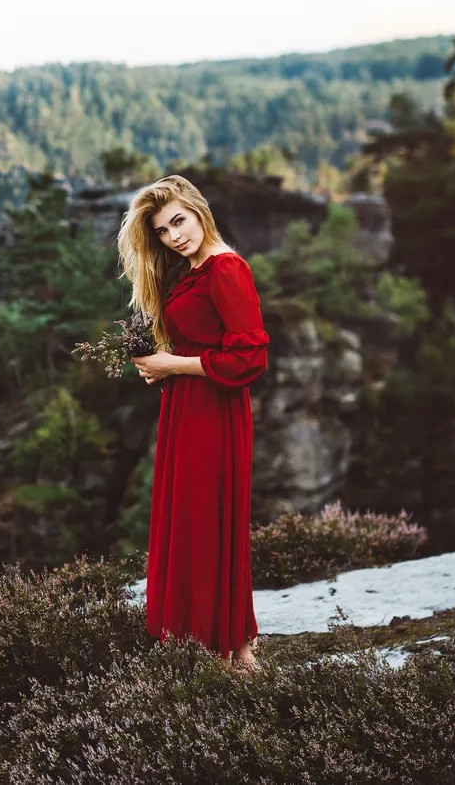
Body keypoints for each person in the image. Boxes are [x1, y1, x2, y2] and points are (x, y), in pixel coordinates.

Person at [120, 174, 268, 672]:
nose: (174, 235)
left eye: (178, 221)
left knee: (209, 521)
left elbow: (249, 356)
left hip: (215, 412)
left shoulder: (226, 268)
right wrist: (162, 367)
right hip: (187, 407)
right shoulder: (192, 270)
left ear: (200, 211)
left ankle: (234, 646)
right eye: (162, 231)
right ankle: (219, 644)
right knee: (191, 521)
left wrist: (173, 365)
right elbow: (199, 343)